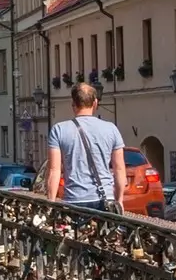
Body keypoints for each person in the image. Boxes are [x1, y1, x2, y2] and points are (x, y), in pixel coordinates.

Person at [47, 82, 127, 210]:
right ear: (95, 103)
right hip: (105, 199)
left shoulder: (59, 130)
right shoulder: (111, 129)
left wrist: (51, 203)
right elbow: (119, 169)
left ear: (73, 104)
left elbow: (54, 170)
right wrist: (119, 199)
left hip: (74, 200)